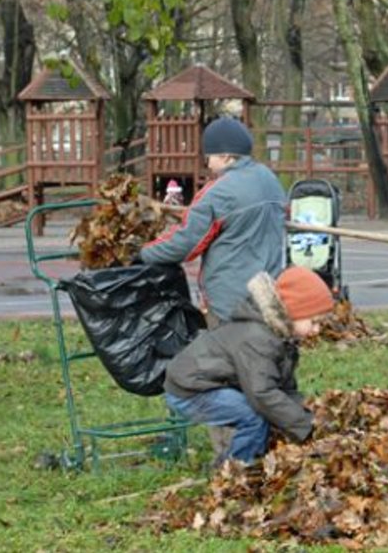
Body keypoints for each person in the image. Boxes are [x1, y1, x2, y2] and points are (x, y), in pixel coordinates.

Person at [164, 266, 334, 466]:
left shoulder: (280, 334)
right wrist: (305, 427)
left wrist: (311, 415)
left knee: (262, 412)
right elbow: (263, 394)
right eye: (313, 322)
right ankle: (236, 471)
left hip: (207, 383)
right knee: (253, 417)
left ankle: (239, 459)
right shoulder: (259, 338)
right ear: (292, 311)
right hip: (190, 391)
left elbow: (283, 388)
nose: (317, 330)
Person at [140, 116, 286, 327]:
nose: (207, 163)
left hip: (231, 303)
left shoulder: (220, 192)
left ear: (226, 156)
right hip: (268, 296)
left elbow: (185, 244)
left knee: (226, 357)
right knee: (261, 354)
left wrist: (143, 253)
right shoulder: (270, 179)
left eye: (209, 157)